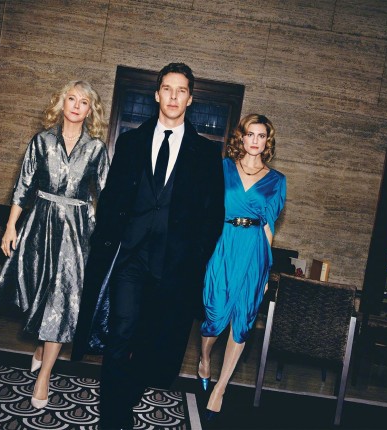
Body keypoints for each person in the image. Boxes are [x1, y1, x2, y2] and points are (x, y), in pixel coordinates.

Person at [71, 62, 225, 429]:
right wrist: (108, 242)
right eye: (167, 89)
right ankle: (113, 419)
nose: (173, 96)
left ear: (190, 99)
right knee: (120, 334)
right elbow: (111, 200)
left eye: (181, 90)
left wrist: (193, 259)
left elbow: (213, 215)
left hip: (174, 266)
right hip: (130, 259)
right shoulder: (131, 142)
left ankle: (125, 396)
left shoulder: (205, 154)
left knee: (152, 345)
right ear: (157, 95)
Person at [0, 80, 109, 410]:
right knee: (40, 292)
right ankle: (42, 346)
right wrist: (10, 227)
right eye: (72, 99)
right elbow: (22, 186)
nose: (76, 106)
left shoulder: (96, 149)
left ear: (90, 110)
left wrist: (109, 235)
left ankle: (44, 377)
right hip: (39, 226)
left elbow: (107, 195)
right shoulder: (41, 142)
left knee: (63, 298)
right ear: (62, 103)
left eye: (84, 102)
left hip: (77, 232)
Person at [198, 113, 286, 419]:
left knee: (243, 321)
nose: (255, 141)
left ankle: (220, 389)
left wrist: (267, 270)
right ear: (242, 137)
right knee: (214, 315)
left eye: (261, 136)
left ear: (267, 141)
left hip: (254, 251)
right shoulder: (222, 168)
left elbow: (269, 227)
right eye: (251, 134)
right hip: (223, 245)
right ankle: (205, 357)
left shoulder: (276, 180)